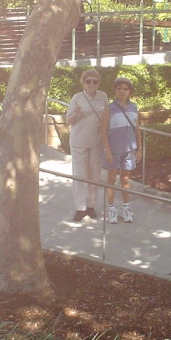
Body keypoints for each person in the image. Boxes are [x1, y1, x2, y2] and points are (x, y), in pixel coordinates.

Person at [66, 68, 108, 222]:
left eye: (94, 81)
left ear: (98, 83)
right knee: (80, 174)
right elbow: (68, 121)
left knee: (94, 174)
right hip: (78, 141)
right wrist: (76, 113)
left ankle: (91, 205)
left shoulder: (103, 96)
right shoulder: (77, 98)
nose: (91, 84)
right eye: (88, 81)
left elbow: (106, 117)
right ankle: (80, 207)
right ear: (83, 82)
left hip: (96, 142)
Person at [101, 77, 141, 223]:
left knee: (125, 179)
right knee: (111, 179)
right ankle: (111, 209)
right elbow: (104, 131)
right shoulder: (109, 109)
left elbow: (137, 129)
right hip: (114, 150)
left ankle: (126, 208)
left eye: (125, 88)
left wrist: (139, 149)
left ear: (129, 91)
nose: (122, 91)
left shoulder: (134, 108)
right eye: (119, 88)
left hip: (129, 149)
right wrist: (108, 151)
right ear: (115, 90)